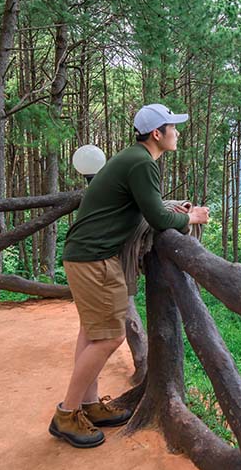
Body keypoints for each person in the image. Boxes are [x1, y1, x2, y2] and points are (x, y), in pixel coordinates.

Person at [49, 103, 210, 448]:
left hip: (85, 255)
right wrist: (192, 217)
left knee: (91, 332)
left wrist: (169, 209)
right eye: (173, 127)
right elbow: (159, 219)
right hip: (94, 259)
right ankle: (67, 413)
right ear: (157, 133)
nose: (177, 132)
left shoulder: (133, 159)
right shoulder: (142, 163)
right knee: (108, 338)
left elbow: (144, 206)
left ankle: (89, 406)